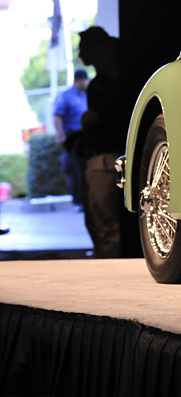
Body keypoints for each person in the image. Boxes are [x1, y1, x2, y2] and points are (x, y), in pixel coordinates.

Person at [75, 26, 132, 258]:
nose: (80, 55)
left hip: (104, 160)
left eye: (83, 49)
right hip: (108, 157)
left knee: (105, 224)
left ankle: (109, 264)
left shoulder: (106, 84)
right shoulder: (110, 80)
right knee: (104, 222)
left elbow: (92, 118)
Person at [53, 69, 90, 206]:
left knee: (85, 167)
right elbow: (57, 117)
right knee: (74, 169)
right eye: (86, 80)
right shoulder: (66, 96)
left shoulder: (85, 94)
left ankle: (85, 198)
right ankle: (78, 200)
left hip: (85, 135)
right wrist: (61, 136)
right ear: (79, 80)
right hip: (72, 136)